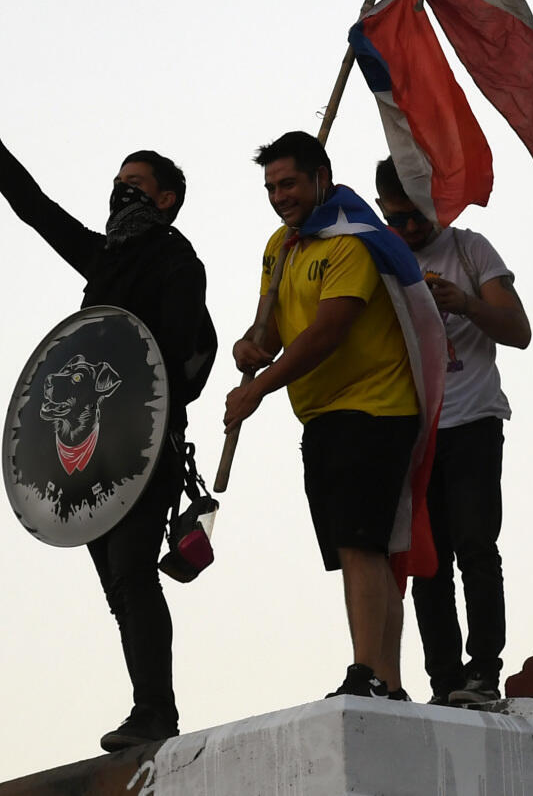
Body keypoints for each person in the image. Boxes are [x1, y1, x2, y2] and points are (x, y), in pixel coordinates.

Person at [0, 81, 212, 753]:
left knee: (132, 571)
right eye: (117, 181)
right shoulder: (104, 257)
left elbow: (191, 349)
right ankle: (149, 704)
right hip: (93, 455)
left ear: (166, 197)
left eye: (137, 182)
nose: (122, 191)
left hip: (143, 445)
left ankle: (155, 709)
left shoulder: (174, 256)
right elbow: (34, 208)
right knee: (122, 584)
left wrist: (160, 408)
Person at [223, 131, 421, 701]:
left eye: (287, 183)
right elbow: (275, 328)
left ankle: (368, 671)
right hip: (322, 417)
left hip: (375, 406)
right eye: (270, 187)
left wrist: (259, 387)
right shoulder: (282, 246)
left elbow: (329, 330)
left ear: (321, 176)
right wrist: (249, 346)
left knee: (361, 545)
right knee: (360, 549)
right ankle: (388, 679)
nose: (279, 196)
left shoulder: (351, 240)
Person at [374, 159, 531, 707]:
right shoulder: (380, 260)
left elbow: (520, 331)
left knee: (476, 547)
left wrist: (465, 302)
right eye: (398, 220)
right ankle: (444, 682)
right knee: (427, 565)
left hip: (474, 422)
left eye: (419, 216)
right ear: (381, 213)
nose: (412, 230)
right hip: (414, 433)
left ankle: (483, 670)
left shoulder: (470, 249)